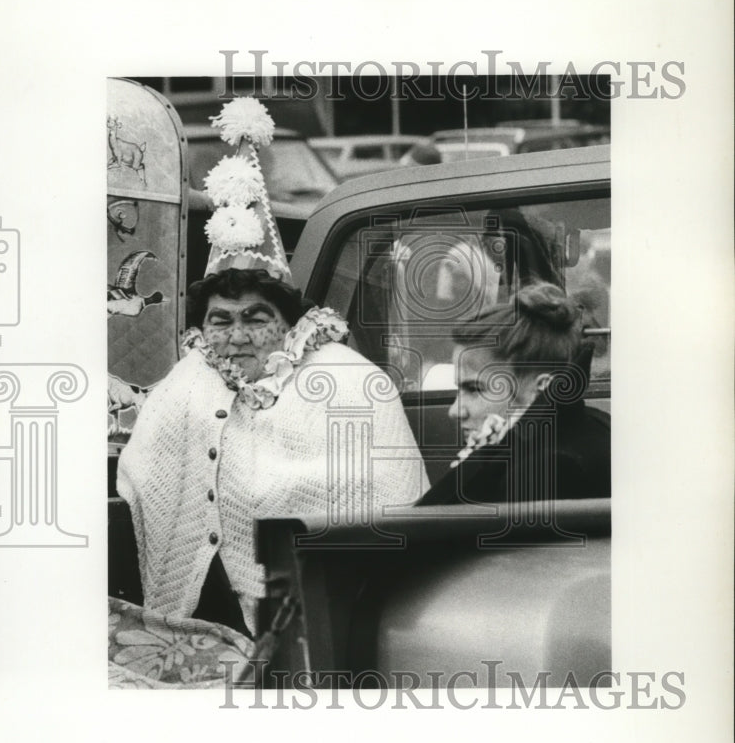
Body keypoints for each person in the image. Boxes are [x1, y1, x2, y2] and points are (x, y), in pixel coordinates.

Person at [114, 98, 427, 675]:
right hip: (201, 599)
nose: (236, 337)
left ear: (287, 320)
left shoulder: (346, 379)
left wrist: (265, 496)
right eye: (220, 320)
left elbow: (384, 493)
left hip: (311, 604)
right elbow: (141, 469)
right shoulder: (191, 375)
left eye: (255, 318)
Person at [419, 282, 610, 506]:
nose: (455, 411)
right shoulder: (594, 427)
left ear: (540, 389)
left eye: (474, 389)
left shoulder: (543, 470)